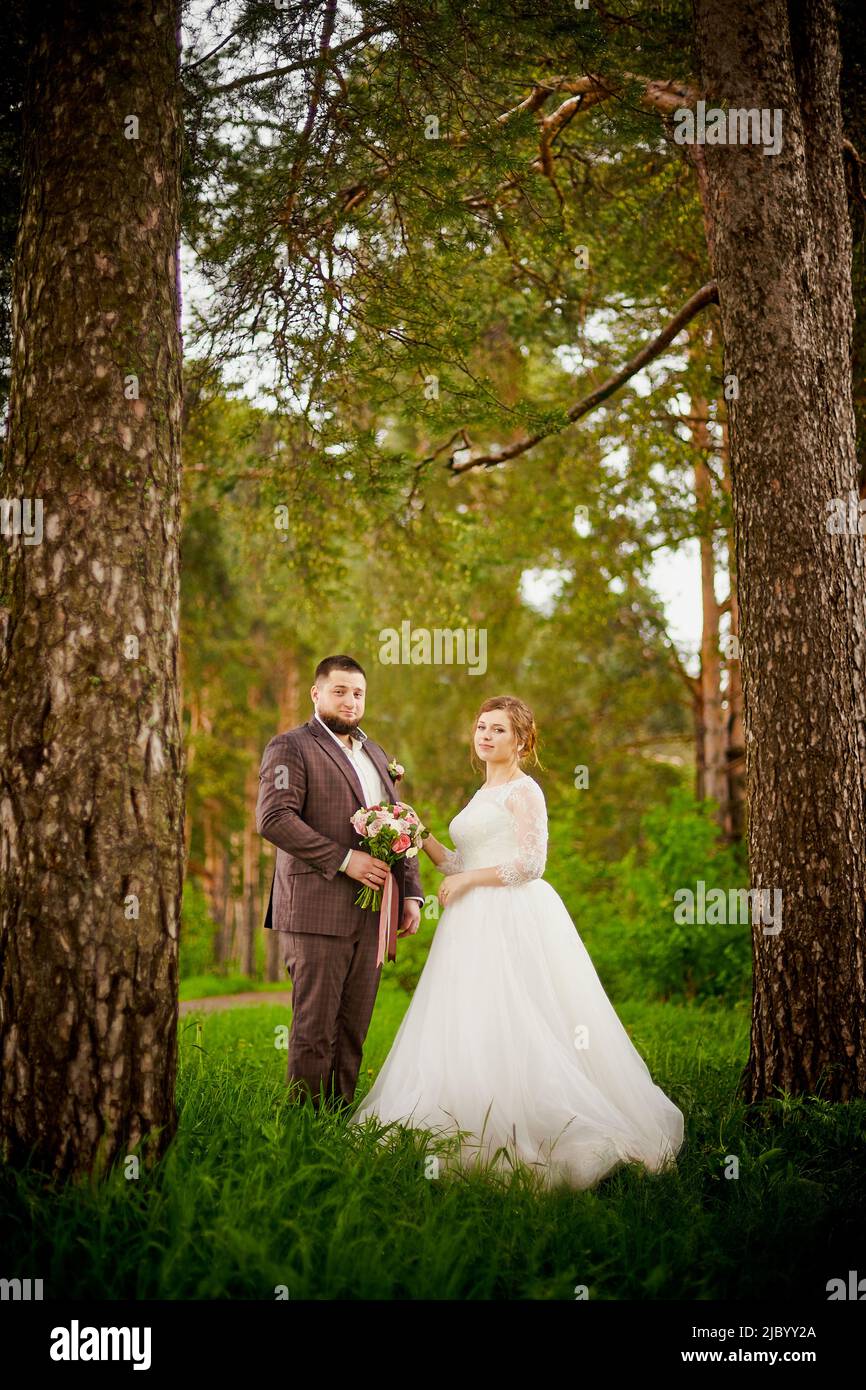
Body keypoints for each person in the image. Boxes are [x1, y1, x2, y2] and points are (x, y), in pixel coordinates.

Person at [349, 695, 685, 1189]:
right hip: (471, 923)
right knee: (471, 1017)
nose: (485, 736)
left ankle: (537, 1121)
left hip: (512, 916)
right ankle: (467, 1111)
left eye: (498, 729)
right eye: (481, 727)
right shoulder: (482, 793)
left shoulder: (524, 792)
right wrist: (416, 833)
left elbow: (530, 864)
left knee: (520, 1014)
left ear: (521, 740)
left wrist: (466, 883)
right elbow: (457, 863)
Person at [255, 655, 424, 1112]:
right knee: (314, 1029)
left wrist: (410, 893)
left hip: (374, 912)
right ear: (316, 693)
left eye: (358, 693)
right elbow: (274, 818)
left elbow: (400, 824)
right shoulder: (291, 747)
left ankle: (339, 1122)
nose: (350, 701)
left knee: (353, 1029)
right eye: (340, 691)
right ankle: (304, 1132)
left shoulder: (376, 754)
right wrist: (346, 860)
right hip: (316, 907)